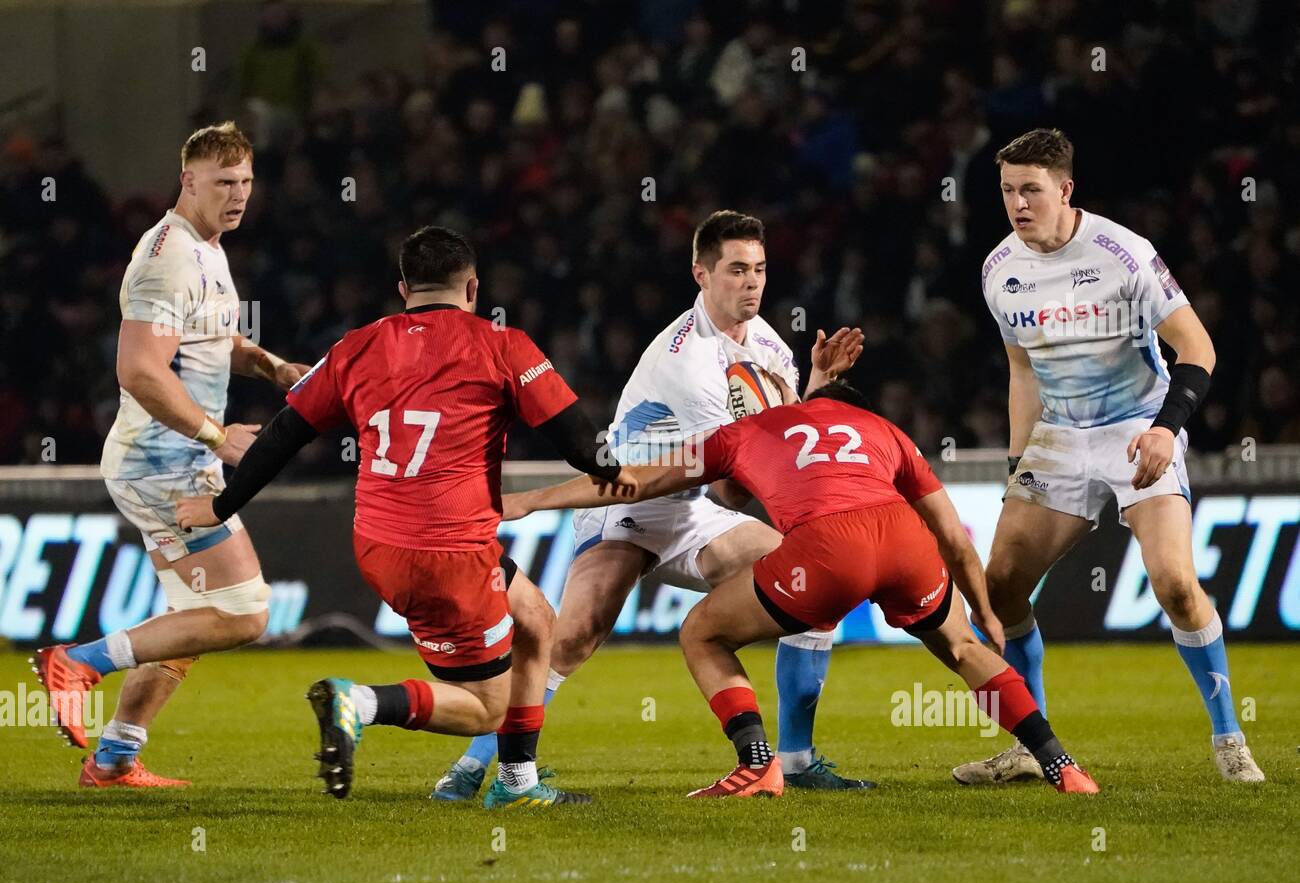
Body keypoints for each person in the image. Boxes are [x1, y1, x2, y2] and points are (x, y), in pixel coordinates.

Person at [177, 225, 635, 808]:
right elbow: (575, 441)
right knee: (484, 709)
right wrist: (614, 466)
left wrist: (220, 505)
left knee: (537, 621)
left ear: (403, 288)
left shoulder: (356, 345)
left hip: (380, 542)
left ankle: (516, 781)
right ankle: (359, 703)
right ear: (472, 288)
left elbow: (280, 436)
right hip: (449, 553)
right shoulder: (502, 344)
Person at [433, 210, 870, 801]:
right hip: (627, 501)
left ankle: (793, 759)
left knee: (816, 586)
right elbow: (733, 485)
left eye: (760, 270)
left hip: (689, 505)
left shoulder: (767, 342)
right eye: (737, 270)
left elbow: (785, 436)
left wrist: (816, 386)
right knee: (572, 637)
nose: (752, 283)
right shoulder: (686, 362)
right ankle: (469, 769)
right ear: (701, 273)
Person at [502, 380, 1100, 796]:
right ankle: (1060, 763)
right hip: (903, 540)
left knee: (702, 633)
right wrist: (982, 610)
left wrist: (531, 500)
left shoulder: (747, 429)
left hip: (826, 550)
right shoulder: (884, 431)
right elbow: (954, 536)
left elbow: (630, 484)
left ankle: (759, 765)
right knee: (966, 651)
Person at [956, 127, 1263, 785]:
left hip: (1137, 429)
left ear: (1065, 189)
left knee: (1177, 584)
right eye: (1008, 190)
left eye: (1031, 189)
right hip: (1060, 439)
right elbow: (1023, 374)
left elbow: (1197, 349)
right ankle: (1030, 743)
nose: (1018, 203)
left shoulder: (1125, 254)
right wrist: (1018, 467)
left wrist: (1164, 428)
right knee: (1001, 580)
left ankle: (1229, 735)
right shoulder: (999, 270)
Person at [31, 122, 311, 788]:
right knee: (245, 612)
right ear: (188, 180)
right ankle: (81, 660)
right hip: (161, 463)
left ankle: (114, 757)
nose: (238, 195)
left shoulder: (207, 248)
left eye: (245, 182)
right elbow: (139, 369)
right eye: (223, 182)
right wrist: (219, 435)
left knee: (195, 620)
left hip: (173, 459)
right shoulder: (168, 255)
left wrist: (272, 367)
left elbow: (211, 340)